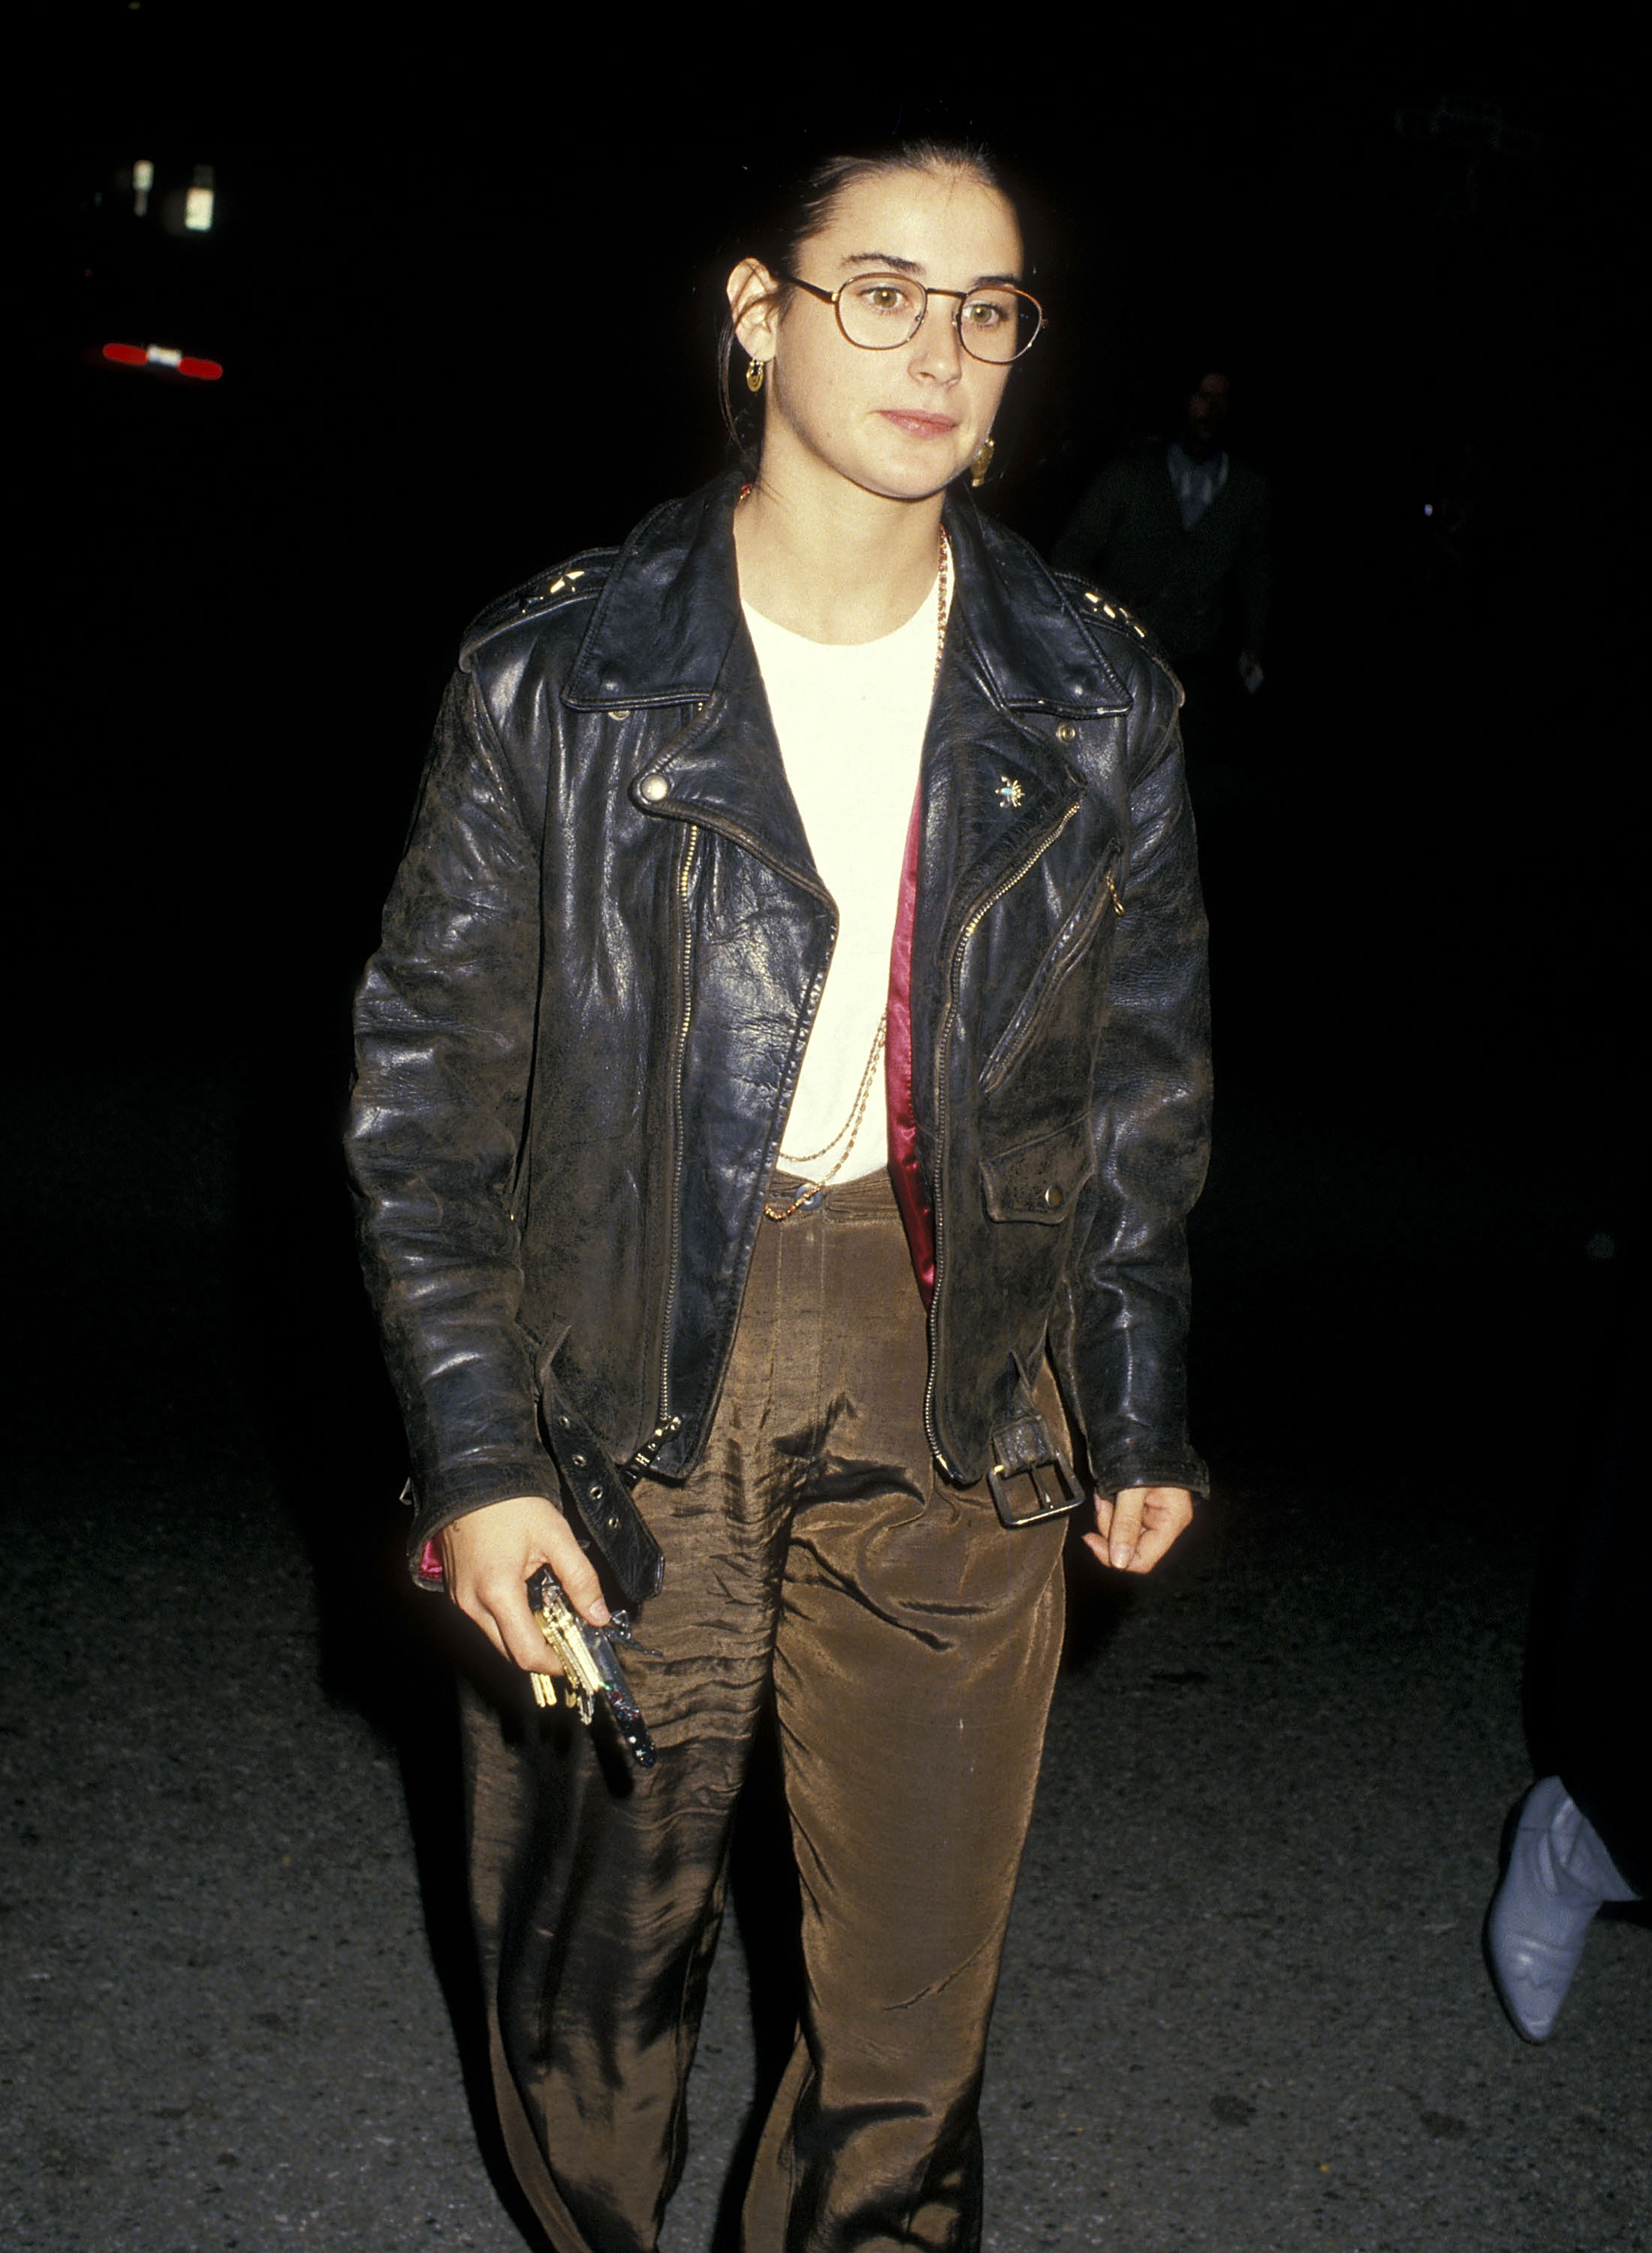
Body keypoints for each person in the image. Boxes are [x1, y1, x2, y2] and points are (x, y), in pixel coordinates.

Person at [347, 140, 1211, 2253]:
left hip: (966, 1374)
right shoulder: (559, 672)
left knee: (913, 2014)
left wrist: (1137, 1386)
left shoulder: (1096, 695)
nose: (941, 347)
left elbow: (1134, 1089)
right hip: (627, 1357)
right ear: (758, 315)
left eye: (988, 307)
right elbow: (424, 1094)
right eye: (882, 292)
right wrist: (474, 1454)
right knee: (596, 1966)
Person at [1053, 366, 1271, 747]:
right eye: (1204, 397)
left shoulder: (1247, 491)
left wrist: (1254, 643)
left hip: (1194, 662)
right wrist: (1102, 603)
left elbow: (1257, 574)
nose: (1211, 411)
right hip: (1116, 653)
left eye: (1222, 401)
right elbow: (1071, 552)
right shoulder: (1131, 473)